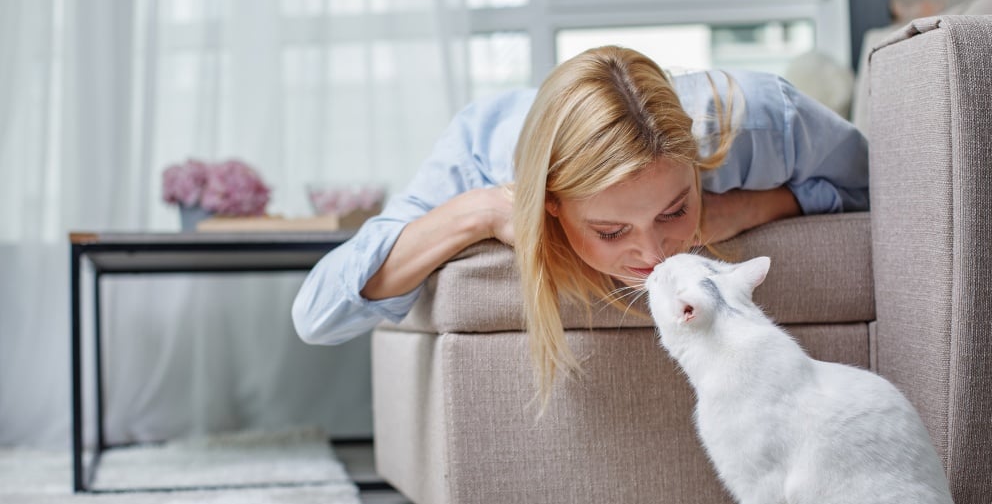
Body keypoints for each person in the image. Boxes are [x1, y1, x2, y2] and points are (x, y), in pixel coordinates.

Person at [292, 45, 869, 404]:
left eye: (674, 211)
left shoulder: (765, 120)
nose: (655, 255)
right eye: (612, 231)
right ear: (550, 204)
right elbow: (318, 315)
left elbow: (878, 189)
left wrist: (749, 207)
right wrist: (485, 210)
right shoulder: (480, 148)